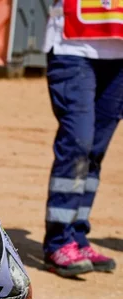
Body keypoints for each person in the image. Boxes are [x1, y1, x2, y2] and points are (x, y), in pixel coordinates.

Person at [42, 0, 122, 277]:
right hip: (73, 46)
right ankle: (58, 241)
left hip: (118, 55)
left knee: (95, 152)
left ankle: (77, 236)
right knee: (78, 143)